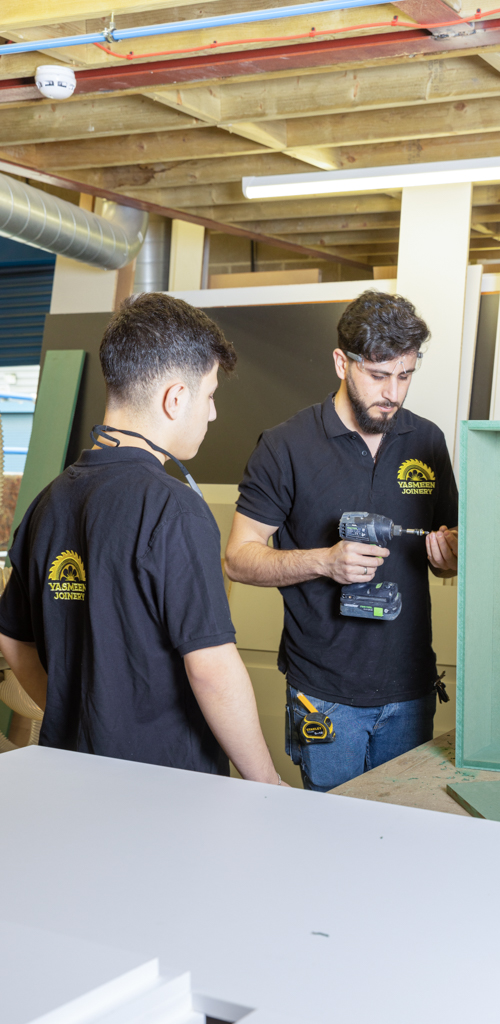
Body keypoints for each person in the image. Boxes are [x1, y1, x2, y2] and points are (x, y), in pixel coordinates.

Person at [0, 293, 282, 785]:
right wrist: (267, 783)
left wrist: (78, 717)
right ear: (175, 398)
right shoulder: (174, 509)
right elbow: (212, 668)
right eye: (210, 394)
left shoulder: (45, 503)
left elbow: (11, 639)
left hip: (71, 774)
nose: (212, 414)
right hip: (167, 788)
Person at [225, 290, 458, 792]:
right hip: (324, 694)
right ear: (341, 362)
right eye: (377, 375)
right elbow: (238, 559)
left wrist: (450, 557)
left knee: (403, 837)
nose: (393, 392)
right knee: (327, 843)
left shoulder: (428, 442)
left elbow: (444, 559)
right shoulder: (285, 445)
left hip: (410, 690)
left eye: (406, 374)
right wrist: (324, 562)